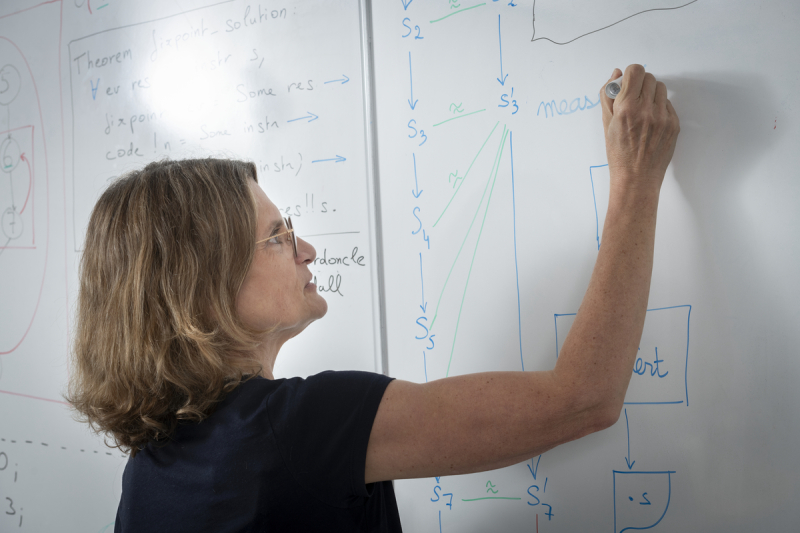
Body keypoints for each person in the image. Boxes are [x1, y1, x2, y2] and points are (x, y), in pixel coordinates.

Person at [67, 64, 679, 532]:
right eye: (278, 237)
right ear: (205, 286)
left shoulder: (147, 472)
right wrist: (635, 179)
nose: (305, 249)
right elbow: (584, 398)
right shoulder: (300, 429)